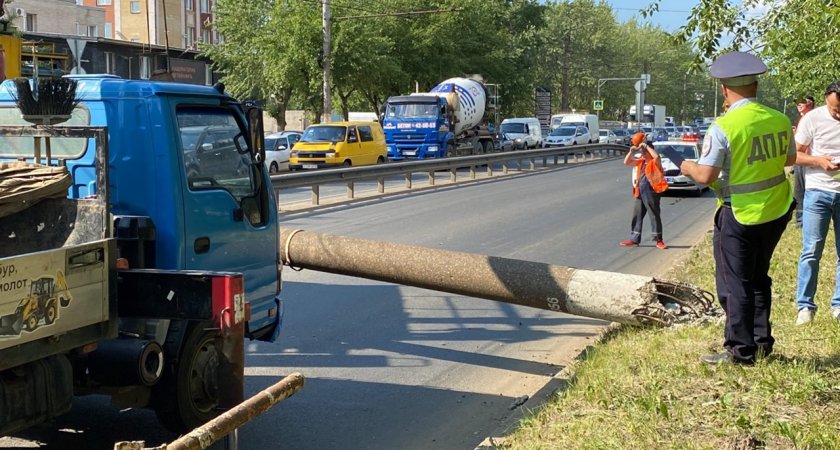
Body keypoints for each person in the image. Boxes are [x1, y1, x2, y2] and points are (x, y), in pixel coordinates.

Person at [661, 52, 796, 365]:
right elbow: (788, 160)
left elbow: (706, 176)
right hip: (776, 210)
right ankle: (762, 344)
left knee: (734, 286)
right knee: (759, 279)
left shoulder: (724, 127)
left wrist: (685, 165)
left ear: (724, 89)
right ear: (756, 84)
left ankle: (740, 352)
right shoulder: (779, 119)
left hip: (740, 215)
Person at [793, 85, 840, 325]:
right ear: (826, 101)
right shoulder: (812, 119)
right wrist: (818, 161)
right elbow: (793, 155)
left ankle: (838, 304)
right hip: (817, 192)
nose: (839, 114)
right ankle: (805, 306)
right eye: (835, 109)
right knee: (811, 251)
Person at [619, 131, 669, 249]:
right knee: (637, 214)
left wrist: (646, 146)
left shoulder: (655, 162)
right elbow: (626, 162)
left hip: (652, 191)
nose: (643, 153)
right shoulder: (641, 162)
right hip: (640, 191)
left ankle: (658, 240)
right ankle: (634, 238)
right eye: (642, 152)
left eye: (645, 152)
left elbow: (656, 156)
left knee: (654, 215)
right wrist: (631, 151)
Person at [792, 95, 815, 228]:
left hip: (810, 160)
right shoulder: (800, 119)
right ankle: (800, 220)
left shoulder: (814, 119)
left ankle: (810, 220)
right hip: (799, 160)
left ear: (810, 103)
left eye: (801, 102)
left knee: (809, 191)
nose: (798, 104)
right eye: (797, 102)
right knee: (799, 191)